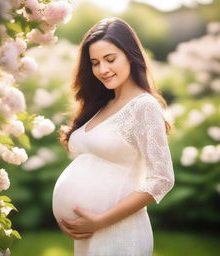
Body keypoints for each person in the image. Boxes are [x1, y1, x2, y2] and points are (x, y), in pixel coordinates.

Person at [52, 17, 175, 256]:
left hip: (119, 234)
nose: (102, 70)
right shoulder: (102, 103)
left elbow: (162, 178)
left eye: (110, 59)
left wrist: (100, 220)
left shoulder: (144, 106)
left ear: (130, 55)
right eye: (95, 63)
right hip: (90, 233)